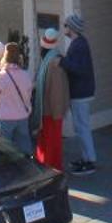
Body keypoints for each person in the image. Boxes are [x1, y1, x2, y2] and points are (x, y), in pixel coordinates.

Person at [0, 42, 34, 154]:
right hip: (22, 118)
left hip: (5, 120)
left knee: (3, 151)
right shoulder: (25, 75)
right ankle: (26, 170)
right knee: (24, 151)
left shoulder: (0, 76)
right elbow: (29, 96)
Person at [62, 12, 98, 174]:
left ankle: (90, 160)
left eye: (66, 25)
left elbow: (78, 69)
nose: (65, 28)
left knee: (82, 127)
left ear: (72, 28)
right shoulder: (80, 43)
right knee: (81, 126)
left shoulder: (78, 45)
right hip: (82, 91)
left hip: (80, 93)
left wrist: (62, 61)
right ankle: (86, 157)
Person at [31, 25, 69, 171]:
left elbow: (57, 91)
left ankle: (52, 168)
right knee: (48, 141)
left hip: (51, 110)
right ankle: (46, 166)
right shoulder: (52, 59)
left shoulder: (53, 62)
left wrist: (57, 113)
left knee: (50, 142)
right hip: (48, 110)